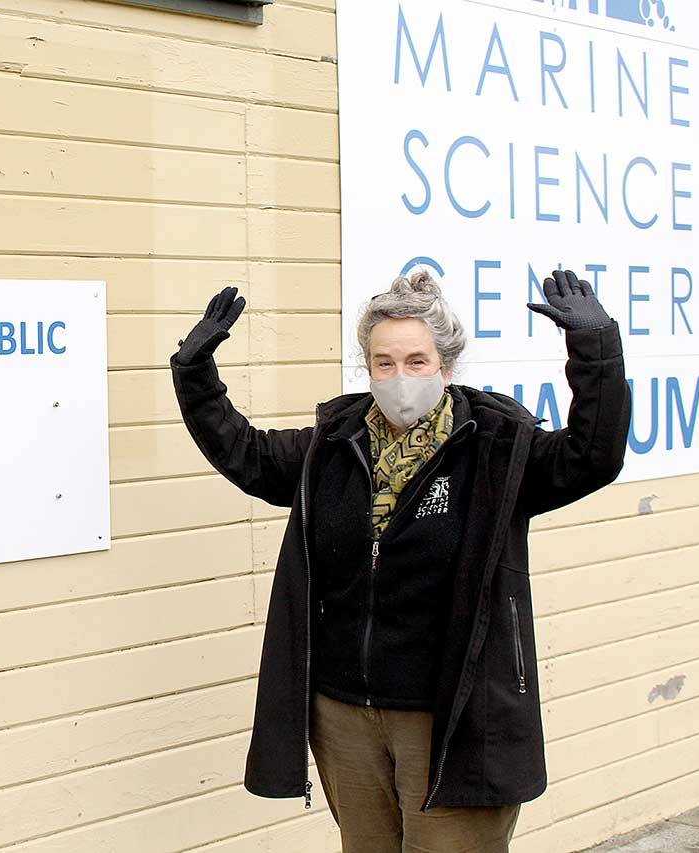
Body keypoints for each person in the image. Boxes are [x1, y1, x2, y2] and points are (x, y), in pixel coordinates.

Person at [168, 268, 632, 852]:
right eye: (383, 363)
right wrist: (195, 375)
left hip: (452, 718)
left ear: (446, 363)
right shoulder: (333, 445)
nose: (399, 377)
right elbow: (248, 454)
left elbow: (594, 455)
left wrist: (596, 356)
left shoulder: (496, 446)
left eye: (416, 361)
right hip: (345, 716)